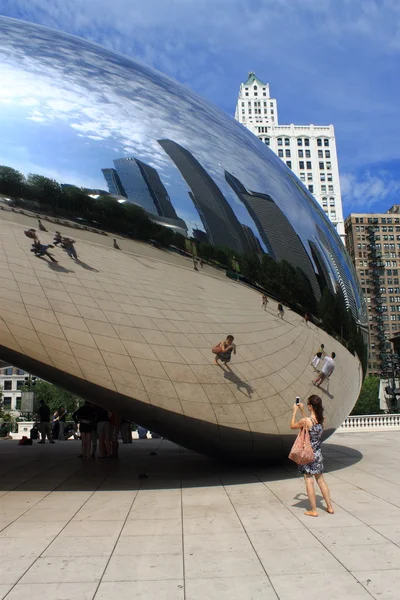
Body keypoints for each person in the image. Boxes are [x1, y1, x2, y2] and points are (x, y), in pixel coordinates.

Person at [290, 395, 334, 517]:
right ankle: (329, 507)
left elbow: (293, 425)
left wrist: (295, 412)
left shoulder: (306, 421)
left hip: (308, 454)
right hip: (318, 453)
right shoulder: (321, 419)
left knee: (309, 481)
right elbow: (309, 421)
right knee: (321, 481)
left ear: (310, 406)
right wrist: (303, 410)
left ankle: (313, 510)